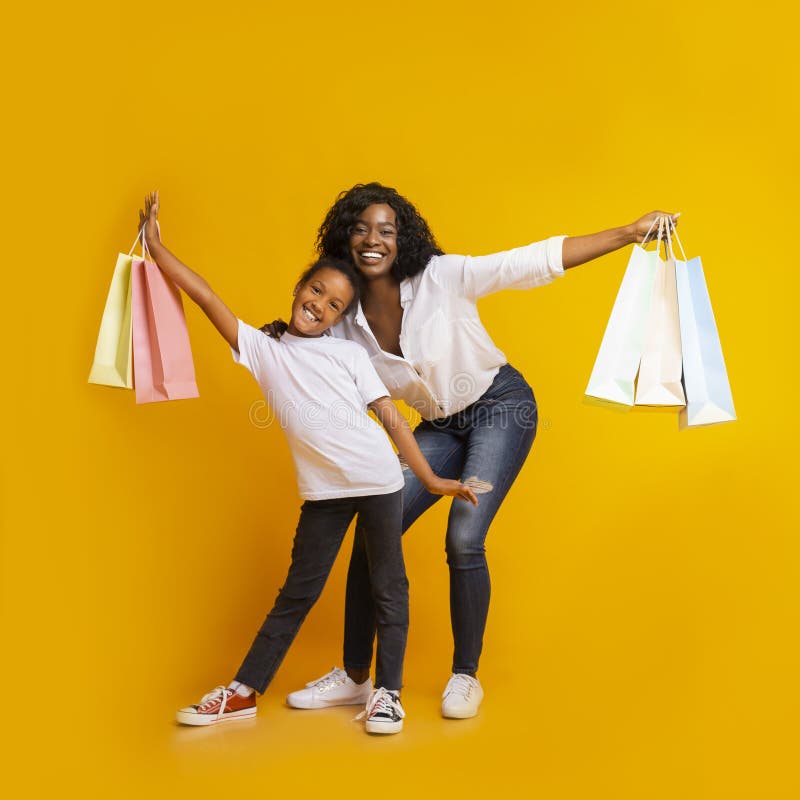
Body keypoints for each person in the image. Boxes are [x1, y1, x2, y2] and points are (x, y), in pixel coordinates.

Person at [265, 183, 678, 719]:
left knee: (464, 536)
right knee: (374, 529)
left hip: (501, 407)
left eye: (387, 230)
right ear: (344, 236)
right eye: (362, 228)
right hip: (439, 425)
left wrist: (626, 233)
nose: (374, 239)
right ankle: (353, 676)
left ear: (402, 238)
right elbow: (295, 349)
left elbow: (526, 263)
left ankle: (465, 676)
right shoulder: (343, 318)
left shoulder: (440, 276)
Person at [136, 192, 477, 734]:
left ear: (340, 318)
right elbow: (205, 296)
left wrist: (431, 480)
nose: (320, 305)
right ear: (299, 289)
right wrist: (156, 247)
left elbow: (390, 418)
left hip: (379, 481)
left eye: (335, 305)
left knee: (390, 586)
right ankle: (243, 692)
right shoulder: (262, 348)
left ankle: (387, 693)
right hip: (324, 492)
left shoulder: (347, 355)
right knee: (298, 591)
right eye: (316, 290)